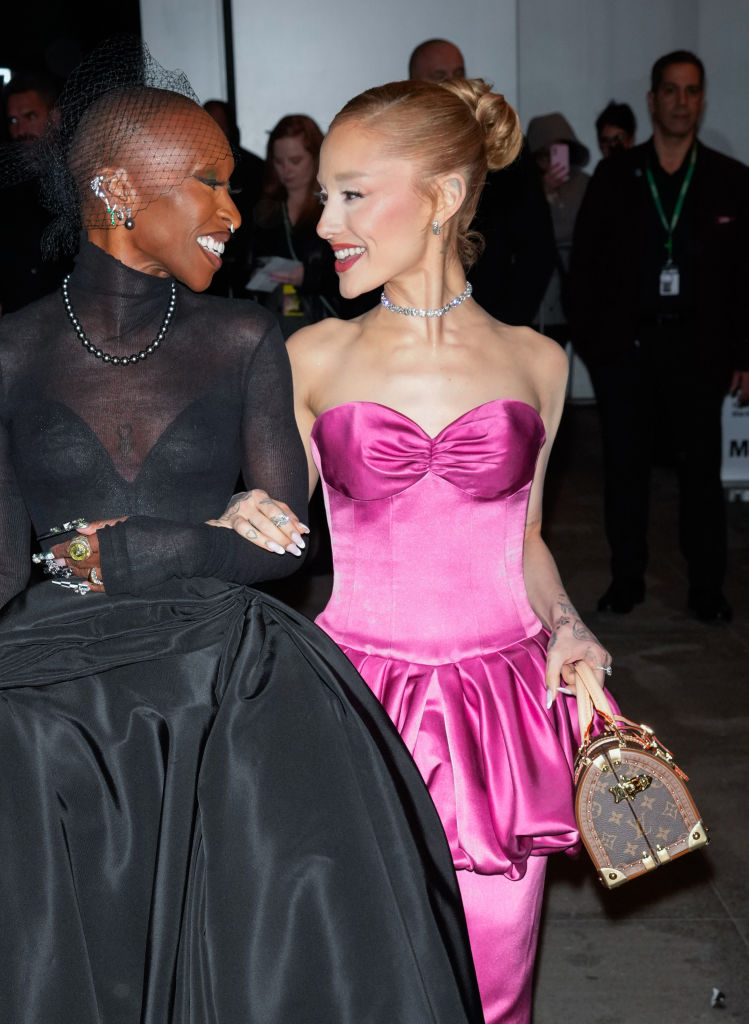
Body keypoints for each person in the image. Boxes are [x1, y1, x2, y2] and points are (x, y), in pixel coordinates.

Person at [0, 40, 483, 1024]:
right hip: (60, 643)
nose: (233, 210)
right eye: (208, 183)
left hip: (219, 655)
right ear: (117, 190)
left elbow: (288, 542)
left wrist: (168, 547)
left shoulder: (243, 337)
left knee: (283, 806)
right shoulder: (2, 352)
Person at [237, 77, 613, 1024]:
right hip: (357, 703)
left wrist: (567, 624)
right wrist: (240, 509)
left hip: (500, 712)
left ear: (442, 196)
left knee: (493, 981)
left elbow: (523, 538)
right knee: (356, 981)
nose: (326, 222)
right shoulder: (311, 356)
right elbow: (271, 531)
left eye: (352, 194)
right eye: (325, 195)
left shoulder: (538, 360)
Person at [569, 50, 749, 621]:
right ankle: (626, 580)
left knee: (701, 476)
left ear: (702, 100)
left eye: (692, 91)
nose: (681, 101)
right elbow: (584, 272)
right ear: (652, 100)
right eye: (670, 90)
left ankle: (707, 588)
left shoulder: (730, 179)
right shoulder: (616, 178)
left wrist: (743, 354)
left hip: (701, 354)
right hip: (628, 354)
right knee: (625, 473)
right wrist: (600, 353)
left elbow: (745, 278)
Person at [408, 39, 556, 328]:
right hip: (409, 324)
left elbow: (537, 247)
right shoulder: (397, 148)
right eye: (440, 76)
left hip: (492, 318)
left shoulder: (500, 146)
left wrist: (506, 326)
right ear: (413, 85)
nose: (453, 83)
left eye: (459, 73)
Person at [246, 114, 374, 339]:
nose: (286, 170)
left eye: (295, 161)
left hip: (333, 322)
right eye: (278, 161)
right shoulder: (266, 208)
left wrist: (308, 277)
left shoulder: (337, 207)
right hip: (279, 319)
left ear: (315, 157)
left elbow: (367, 270)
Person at [0, 70, 70, 315]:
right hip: (21, 319)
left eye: (29, 116)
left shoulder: (79, 177)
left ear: (55, 118)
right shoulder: (2, 186)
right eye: (13, 121)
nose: (20, 130)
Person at [525, 112, 590, 345]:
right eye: (545, 154)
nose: (551, 161)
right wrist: (540, 194)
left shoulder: (584, 185)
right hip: (535, 303)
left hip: (574, 295)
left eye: (558, 151)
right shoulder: (525, 188)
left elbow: (583, 233)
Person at [202, 98, 265, 298]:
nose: (213, 132)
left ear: (230, 129)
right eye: (206, 125)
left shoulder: (254, 168)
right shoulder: (186, 169)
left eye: (219, 126)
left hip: (245, 264)